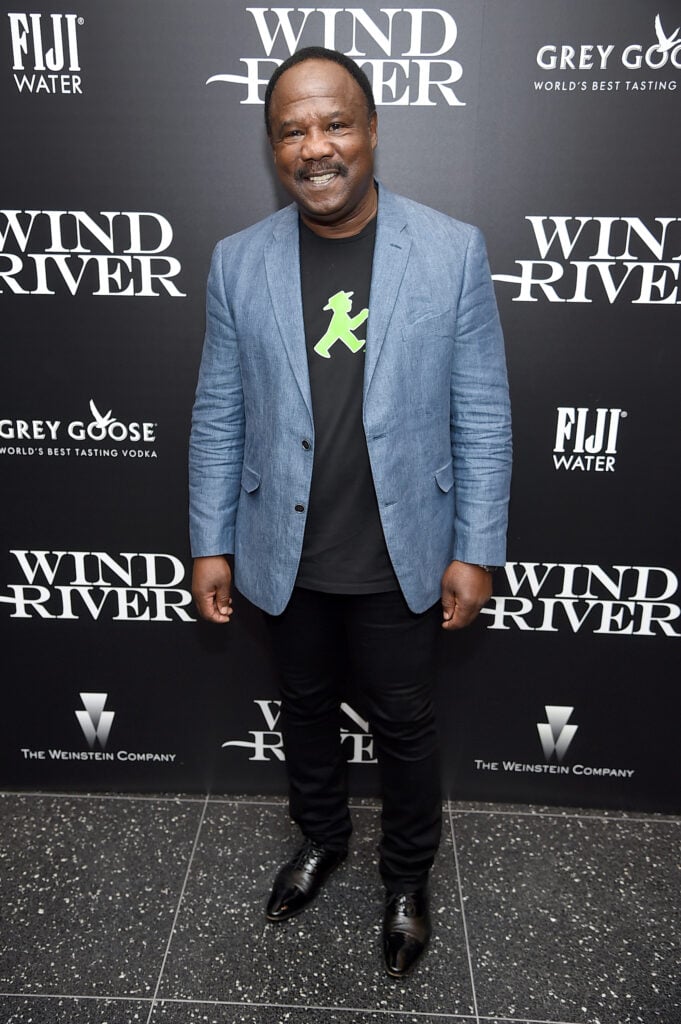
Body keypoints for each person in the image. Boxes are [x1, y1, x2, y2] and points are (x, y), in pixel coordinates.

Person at [189, 47, 512, 978]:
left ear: (372, 131)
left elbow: (481, 411)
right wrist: (211, 540)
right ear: (272, 147)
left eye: (335, 124)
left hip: (401, 553)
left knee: (405, 726)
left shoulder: (450, 249)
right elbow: (219, 409)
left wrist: (476, 548)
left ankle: (406, 876)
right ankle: (321, 838)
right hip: (282, 548)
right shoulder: (236, 262)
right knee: (303, 710)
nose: (315, 146)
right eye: (292, 130)